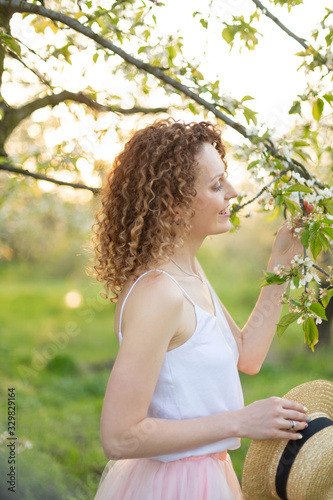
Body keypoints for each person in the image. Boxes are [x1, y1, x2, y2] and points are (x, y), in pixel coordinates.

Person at [91, 118, 312, 500]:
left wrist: (283, 262)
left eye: (225, 179)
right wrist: (241, 421)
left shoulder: (189, 269)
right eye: (215, 185)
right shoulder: (159, 292)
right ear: (173, 205)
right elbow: (119, 436)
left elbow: (247, 356)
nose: (233, 191)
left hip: (208, 475)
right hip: (173, 486)